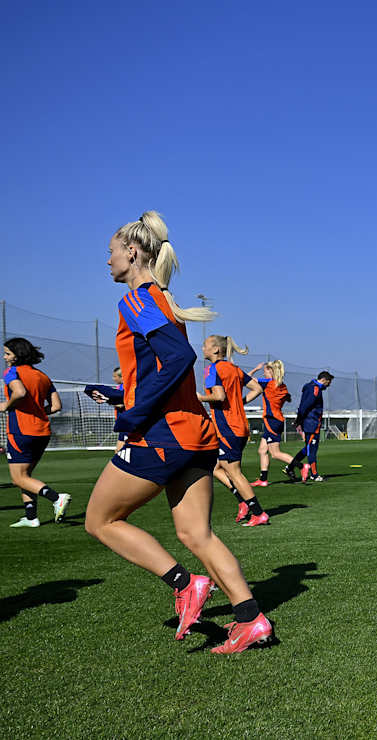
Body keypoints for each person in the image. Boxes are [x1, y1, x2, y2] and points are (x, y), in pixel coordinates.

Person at [84, 210, 271, 653]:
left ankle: (184, 584)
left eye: (110, 251)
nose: (106, 260)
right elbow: (164, 370)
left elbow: (177, 358)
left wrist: (133, 416)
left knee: (100, 520)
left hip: (162, 436)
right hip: (196, 435)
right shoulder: (163, 300)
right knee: (197, 535)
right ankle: (251, 619)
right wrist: (120, 396)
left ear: (132, 252)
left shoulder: (137, 299)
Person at [197, 336, 268, 526]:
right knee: (216, 468)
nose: (202, 347)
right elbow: (257, 389)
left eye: (205, 345)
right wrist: (238, 403)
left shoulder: (212, 369)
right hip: (239, 426)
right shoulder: (234, 369)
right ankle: (244, 502)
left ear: (215, 350)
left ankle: (258, 513)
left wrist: (200, 397)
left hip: (228, 428)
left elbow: (219, 396)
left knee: (234, 472)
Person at [3, 338, 70, 527]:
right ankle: (31, 517)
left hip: (20, 431)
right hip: (42, 431)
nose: (5, 357)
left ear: (17, 355)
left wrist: (5, 406)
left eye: (7, 353)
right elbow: (56, 406)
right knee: (26, 477)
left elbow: (20, 392)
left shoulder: (11, 372)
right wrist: (39, 412)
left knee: (18, 478)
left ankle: (57, 498)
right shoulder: (42, 376)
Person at [249, 360, 295, 487]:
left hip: (271, 420)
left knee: (275, 453)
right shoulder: (282, 385)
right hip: (277, 419)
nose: (264, 373)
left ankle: (302, 466)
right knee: (262, 450)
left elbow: (246, 379)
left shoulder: (268, 383)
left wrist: (255, 369)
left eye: (265, 371)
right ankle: (263, 479)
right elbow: (288, 397)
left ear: (272, 371)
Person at [285, 371, 333, 482]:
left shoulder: (310, 387)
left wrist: (299, 420)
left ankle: (290, 467)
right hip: (312, 423)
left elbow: (303, 405)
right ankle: (314, 475)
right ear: (324, 380)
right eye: (329, 382)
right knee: (312, 450)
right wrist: (299, 420)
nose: (329, 385)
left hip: (310, 422)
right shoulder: (315, 389)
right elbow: (305, 405)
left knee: (307, 449)